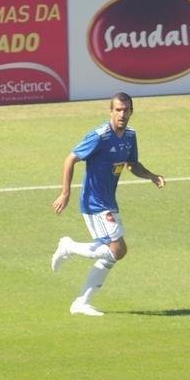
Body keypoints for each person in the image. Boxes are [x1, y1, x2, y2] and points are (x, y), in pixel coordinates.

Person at [50, 91, 166, 316]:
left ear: (131, 112)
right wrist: (65, 193)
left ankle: (81, 303)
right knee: (118, 249)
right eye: (118, 110)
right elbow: (70, 158)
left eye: (126, 110)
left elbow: (132, 164)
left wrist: (151, 175)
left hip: (109, 201)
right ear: (110, 112)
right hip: (94, 203)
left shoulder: (130, 136)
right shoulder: (99, 136)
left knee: (113, 254)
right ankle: (68, 247)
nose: (122, 114)